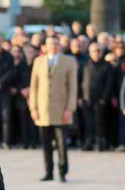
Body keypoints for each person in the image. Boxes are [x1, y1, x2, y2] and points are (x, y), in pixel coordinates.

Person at [29, 35, 77, 182]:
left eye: (55, 43)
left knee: (62, 143)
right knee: (46, 143)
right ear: (45, 46)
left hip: (61, 109)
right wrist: (33, 108)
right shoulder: (38, 61)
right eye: (50, 44)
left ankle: (63, 171)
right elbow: (34, 87)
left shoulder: (69, 61)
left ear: (60, 45)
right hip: (43, 109)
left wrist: (70, 108)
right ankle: (48, 172)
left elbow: (72, 87)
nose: (53, 46)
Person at [80, 42, 114, 151]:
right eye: (94, 51)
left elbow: (109, 84)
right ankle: (88, 141)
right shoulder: (84, 64)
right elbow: (78, 81)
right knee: (88, 122)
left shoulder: (107, 65)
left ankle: (101, 142)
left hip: (101, 99)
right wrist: (79, 97)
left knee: (100, 122)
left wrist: (104, 98)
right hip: (86, 98)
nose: (96, 53)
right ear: (89, 52)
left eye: (99, 51)